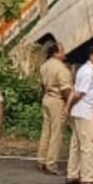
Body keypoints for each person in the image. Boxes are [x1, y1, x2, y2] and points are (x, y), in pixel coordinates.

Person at [65, 44, 93, 184]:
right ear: (92, 56)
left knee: (76, 145)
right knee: (88, 145)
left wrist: (69, 107)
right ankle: (87, 178)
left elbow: (75, 90)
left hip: (79, 111)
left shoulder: (84, 70)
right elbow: (79, 93)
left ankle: (73, 173)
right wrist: (69, 106)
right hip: (85, 111)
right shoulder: (88, 72)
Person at [37, 42, 71, 175]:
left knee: (46, 131)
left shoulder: (44, 66)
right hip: (57, 100)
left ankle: (41, 159)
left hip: (47, 97)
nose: (64, 53)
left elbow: (42, 84)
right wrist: (70, 104)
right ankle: (51, 163)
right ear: (56, 53)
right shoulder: (61, 69)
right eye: (62, 51)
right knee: (56, 133)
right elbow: (65, 89)